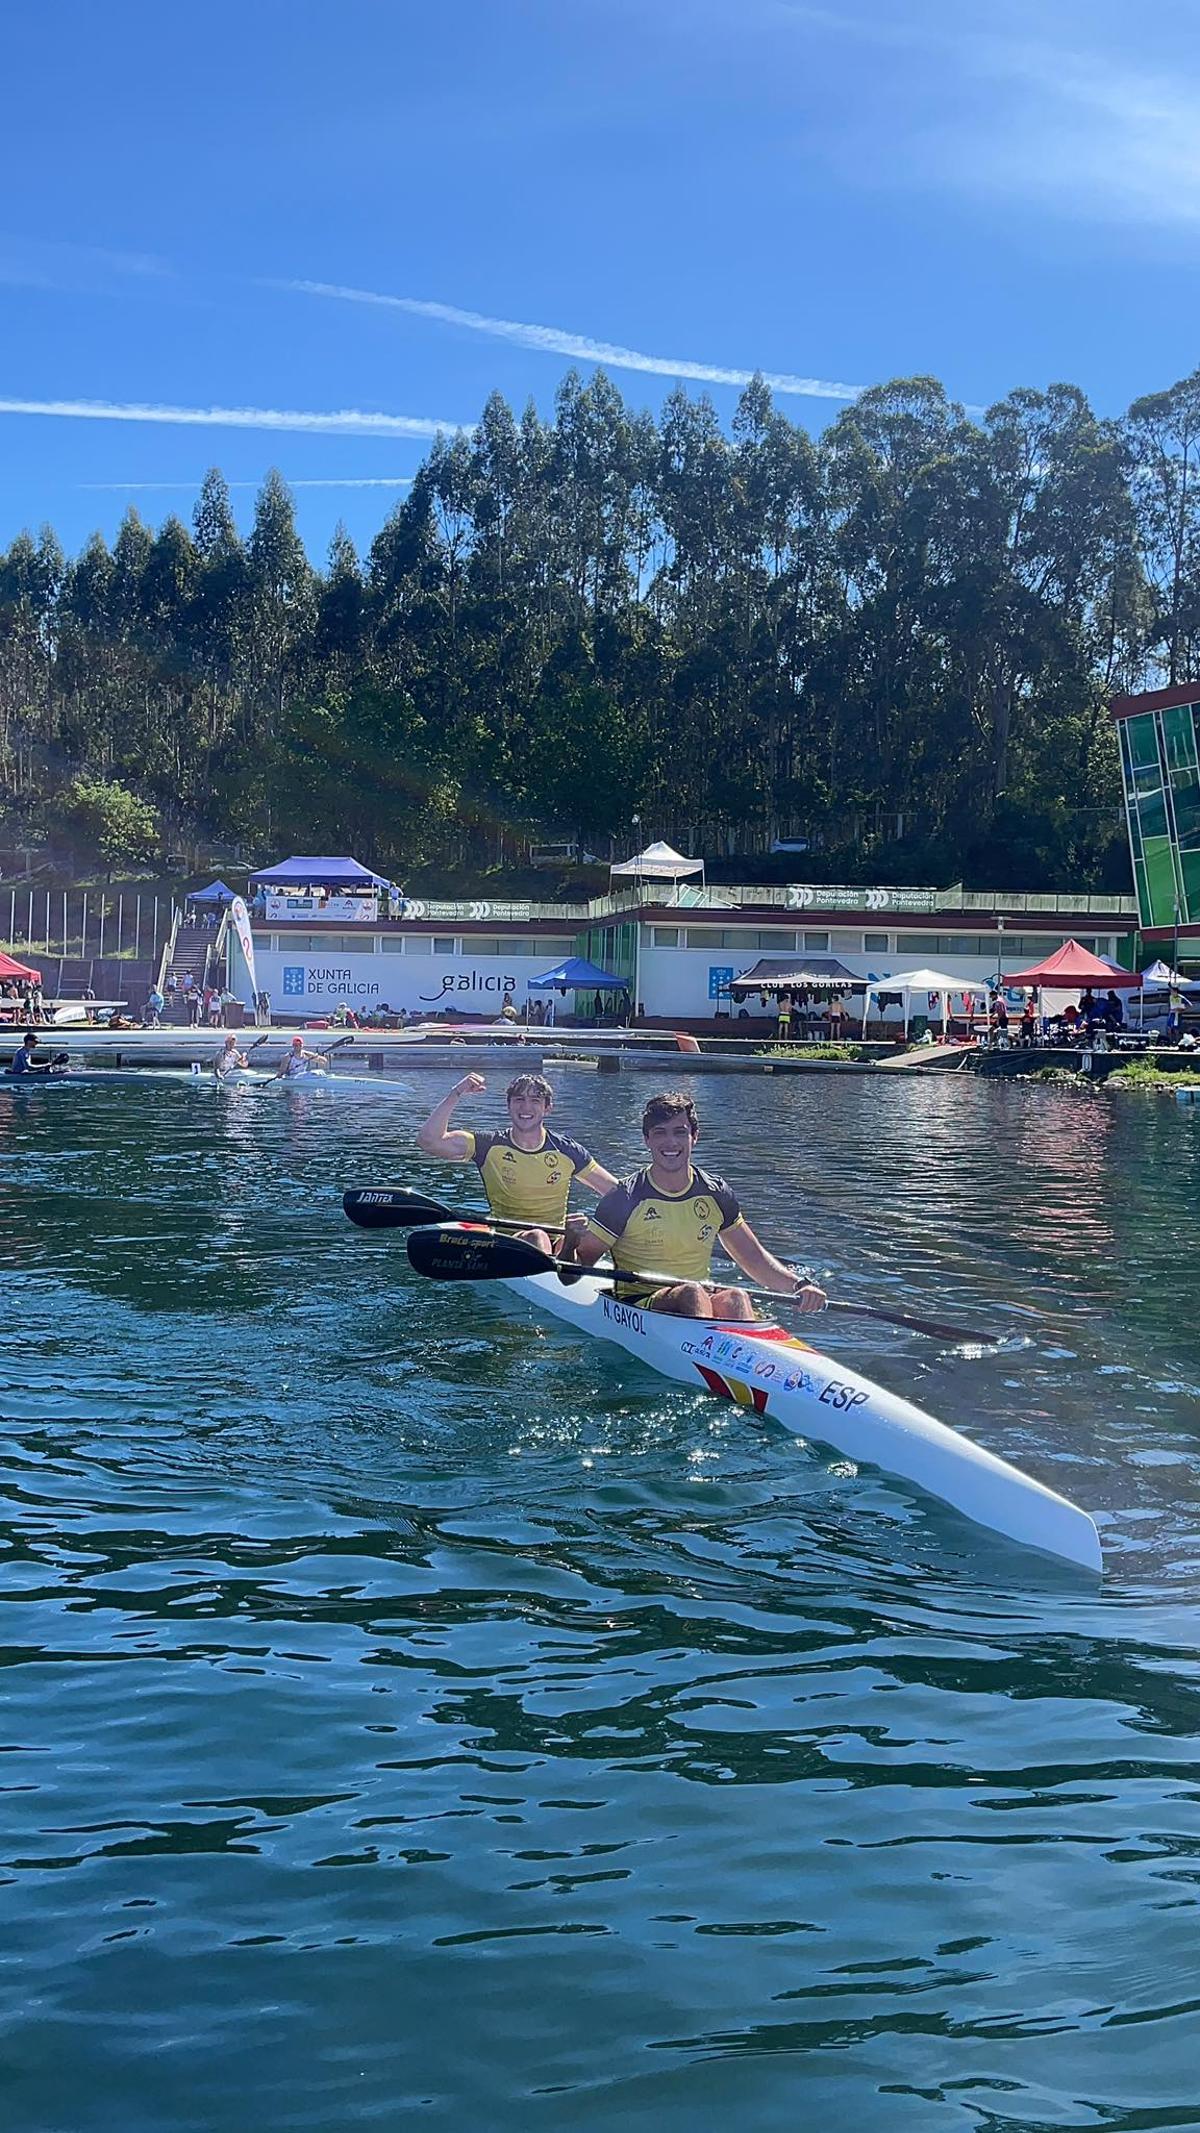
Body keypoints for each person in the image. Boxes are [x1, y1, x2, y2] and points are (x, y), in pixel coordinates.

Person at [575, 1091, 828, 1322]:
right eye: (660, 1132)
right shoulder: (625, 1197)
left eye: (679, 1132)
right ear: (647, 1140)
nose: (670, 1142)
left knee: (736, 1296)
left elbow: (753, 1258)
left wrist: (800, 1286)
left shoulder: (715, 1192)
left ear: (694, 1136)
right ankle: (713, 1360)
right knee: (692, 1293)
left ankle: (747, 1357)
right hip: (638, 1304)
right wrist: (570, 1243)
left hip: (696, 1299)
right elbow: (579, 1264)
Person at [417, 1071, 617, 1256]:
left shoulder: (568, 1150)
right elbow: (429, 1141)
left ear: (547, 1108)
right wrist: (456, 1092)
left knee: (581, 1232)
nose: (526, 1107)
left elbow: (617, 1193)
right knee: (537, 1236)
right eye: (519, 1100)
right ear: (509, 1106)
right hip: (508, 1241)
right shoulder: (487, 1145)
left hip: (558, 1242)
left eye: (535, 1101)